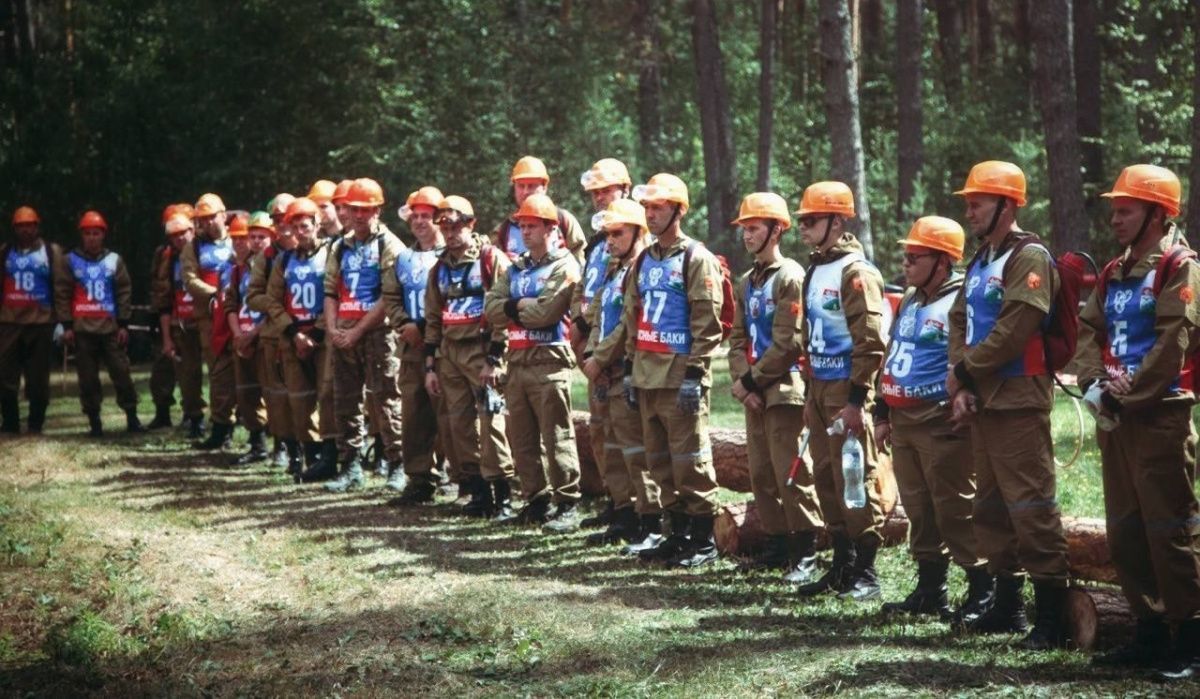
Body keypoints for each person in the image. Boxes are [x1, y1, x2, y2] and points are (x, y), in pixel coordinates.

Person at [1075, 164, 1200, 676]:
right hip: (1117, 418)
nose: (1114, 218)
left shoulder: (1178, 265)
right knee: (1126, 529)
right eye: (1114, 209)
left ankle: (1190, 639)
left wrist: (1134, 392)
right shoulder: (1112, 270)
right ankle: (1148, 632)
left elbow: (1176, 340)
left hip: (1161, 414)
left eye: (1125, 209)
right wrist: (1093, 385)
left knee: (1169, 527)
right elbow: (1089, 329)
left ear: (1156, 212)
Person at [946, 160, 1069, 649]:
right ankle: (1008, 606)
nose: (969, 210)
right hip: (983, 400)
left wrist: (963, 373)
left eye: (977, 202)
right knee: (991, 508)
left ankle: (1052, 617)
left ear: (1007, 204)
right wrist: (963, 379)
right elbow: (960, 320)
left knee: (1031, 506)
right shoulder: (980, 259)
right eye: (969, 202)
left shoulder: (1029, 257)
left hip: (1017, 401)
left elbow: (1015, 328)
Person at [875, 216, 989, 619]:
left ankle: (981, 589)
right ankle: (930, 589)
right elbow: (891, 354)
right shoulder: (910, 298)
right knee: (918, 509)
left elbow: (971, 354)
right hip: (904, 421)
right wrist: (882, 411)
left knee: (955, 506)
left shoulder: (958, 300)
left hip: (940, 420)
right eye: (905, 256)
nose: (905, 264)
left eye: (914, 257)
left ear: (942, 261)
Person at [621, 173, 724, 568]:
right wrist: (630, 367)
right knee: (660, 460)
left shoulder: (696, 257)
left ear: (678, 211)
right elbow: (634, 314)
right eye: (647, 207)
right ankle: (676, 534)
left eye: (658, 207)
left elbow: (707, 320)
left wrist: (695, 374)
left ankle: (703, 540)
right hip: (648, 376)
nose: (650, 215)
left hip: (680, 376)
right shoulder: (644, 259)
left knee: (690, 460)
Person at [793, 181, 888, 601]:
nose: (804, 228)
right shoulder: (815, 268)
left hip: (846, 389)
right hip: (818, 388)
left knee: (854, 473)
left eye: (811, 220)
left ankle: (866, 569)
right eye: (802, 221)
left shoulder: (856, 272)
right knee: (826, 475)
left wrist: (856, 400)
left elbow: (870, 341)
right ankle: (842, 563)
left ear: (837, 221)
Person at [727, 193, 824, 581]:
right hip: (754, 394)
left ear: (776, 230)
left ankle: (806, 550)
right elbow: (735, 338)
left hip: (783, 392)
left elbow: (790, 342)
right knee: (761, 472)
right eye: (745, 229)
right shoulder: (746, 281)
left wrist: (751, 380)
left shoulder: (791, 277)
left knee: (791, 472)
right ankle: (777, 542)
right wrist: (742, 382)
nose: (747, 235)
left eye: (754, 228)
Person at [485, 193, 583, 531]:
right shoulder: (516, 267)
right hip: (518, 362)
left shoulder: (565, 266)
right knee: (522, 436)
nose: (524, 232)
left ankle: (567, 502)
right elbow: (491, 309)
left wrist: (515, 307)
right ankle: (535, 499)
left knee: (557, 436)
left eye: (532, 226)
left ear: (550, 228)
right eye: (522, 225)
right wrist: (519, 304)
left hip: (550, 363)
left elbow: (546, 314)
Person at [423, 195, 516, 517]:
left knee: (492, 423)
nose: (450, 232)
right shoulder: (439, 269)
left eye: (456, 224)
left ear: (470, 224)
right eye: (444, 226)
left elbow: (506, 311)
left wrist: (494, 357)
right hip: (449, 354)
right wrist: (430, 365)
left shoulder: (491, 259)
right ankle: (477, 492)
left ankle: (503, 494)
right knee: (459, 424)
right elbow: (433, 319)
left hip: (482, 351)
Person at [580, 199, 664, 550]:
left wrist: (599, 359)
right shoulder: (614, 270)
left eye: (618, 233)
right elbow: (599, 316)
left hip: (624, 369)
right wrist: (589, 354)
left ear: (637, 233)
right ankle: (623, 513)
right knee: (612, 446)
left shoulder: (638, 270)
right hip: (604, 371)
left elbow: (627, 327)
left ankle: (651, 521)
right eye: (608, 234)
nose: (610, 241)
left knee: (636, 449)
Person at [323, 178, 406, 493]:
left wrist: (358, 331)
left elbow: (388, 297)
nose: (359, 216)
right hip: (343, 332)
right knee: (344, 399)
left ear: (378, 210)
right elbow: (330, 290)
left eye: (366, 209)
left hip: (377, 334)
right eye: (354, 209)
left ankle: (396, 465)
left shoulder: (390, 246)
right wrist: (333, 329)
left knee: (386, 399)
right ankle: (350, 467)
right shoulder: (339, 246)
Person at [574, 158, 635, 531]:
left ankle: (635, 510)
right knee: (601, 431)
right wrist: (581, 332)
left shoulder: (636, 238)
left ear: (625, 190)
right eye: (595, 192)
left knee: (627, 433)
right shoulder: (598, 242)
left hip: (620, 352)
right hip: (594, 344)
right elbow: (586, 289)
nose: (599, 198)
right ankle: (616, 501)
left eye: (606, 190)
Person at [54, 211, 144, 435]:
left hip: (110, 328)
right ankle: (95, 422)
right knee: (88, 378)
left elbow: (124, 292)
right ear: (82, 236)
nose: (92, 238)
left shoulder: (114, 260)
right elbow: (62, 293)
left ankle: (132, 417)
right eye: (87, 234)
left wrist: (123, 324)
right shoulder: (70, 261)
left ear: (103, 235)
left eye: (96, 233)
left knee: (121, 373)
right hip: (82, 329)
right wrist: (66, 326)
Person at [387, 186, 450, 503]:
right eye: (416, 216)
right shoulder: (403, 257)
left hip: (445, 345)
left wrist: (425, 327)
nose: (420, 222)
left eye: (427, 216)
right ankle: (419, 478)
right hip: (412, 346)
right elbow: (391, 296)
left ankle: (454, 474)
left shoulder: (450, 255)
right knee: (414, 412)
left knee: (449, 410)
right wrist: (403, 324)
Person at [266, 197, 335, 482]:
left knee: (328, 393)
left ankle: (332, 455)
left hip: (322, 337)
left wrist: (316, 333)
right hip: (293, 338)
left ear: (317, 225)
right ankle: (311, 455)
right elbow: (272, 300)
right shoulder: (285, 259)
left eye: (305, 225)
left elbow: (336, 294)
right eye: (295, 226)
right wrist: (294, 333)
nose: (300, 231)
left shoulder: (332, 253)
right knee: (299, 397)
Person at [246, 208, 301, 473]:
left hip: (310, 335)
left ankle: (317, 453)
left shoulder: (318, 251)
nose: (283, 225)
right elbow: (253, 296)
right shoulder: (265, 258)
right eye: (277, 221)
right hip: (273, 335)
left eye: (287, 220)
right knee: (278, 397)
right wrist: (277, 305)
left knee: (309, 397)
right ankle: (286, 450)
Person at [182, 193, 237, 450]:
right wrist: (214, 293)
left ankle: (260, 430)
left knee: (250, 371)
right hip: (209, 318)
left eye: (211, 217)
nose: (206, 223)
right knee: (218, 372)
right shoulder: (192, 246)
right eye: (201, 219)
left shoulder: (240, 238)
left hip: (242, 314)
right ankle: (221, 427)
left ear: (223, 215)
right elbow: (190, 280)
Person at [0, 206, 63, 434]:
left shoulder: (51, 252)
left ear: (37, 226)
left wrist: (62, 322)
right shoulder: (5, 252)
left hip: (41, 321)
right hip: (9, 322)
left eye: (29, 225)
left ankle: (36, 423)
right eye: (20, 226)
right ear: (14, 228)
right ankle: (10, 422)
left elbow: (60, 287)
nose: (25, 230)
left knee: (38, 378)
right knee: (6, 375)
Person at [147, 204, 200, 431]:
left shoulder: (205, 249)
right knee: (175, 370)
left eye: (183, 232)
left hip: (207, 318)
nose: (179, 238)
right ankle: (172, 412)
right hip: (176, 319)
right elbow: (161, 293)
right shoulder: (164, 256)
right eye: (173, 234)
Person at [225, 212, 271, 466]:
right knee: (246, 392)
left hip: (264, 336)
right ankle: (257, 444)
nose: (253, 241)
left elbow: (275, 306)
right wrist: (238, 335)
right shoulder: (238, 269)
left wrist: (254, 334)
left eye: (259, 236)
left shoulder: (274, 265)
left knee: (273, 392)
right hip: (242, 337)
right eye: (249, 236)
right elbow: (230, 304)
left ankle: (284, 447)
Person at [492, 155, 586, 264]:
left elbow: (581, 263)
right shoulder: (504, 229)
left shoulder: (563, 220)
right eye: (521, 186)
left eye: (531, 186)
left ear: (544, 188)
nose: (525, 192)